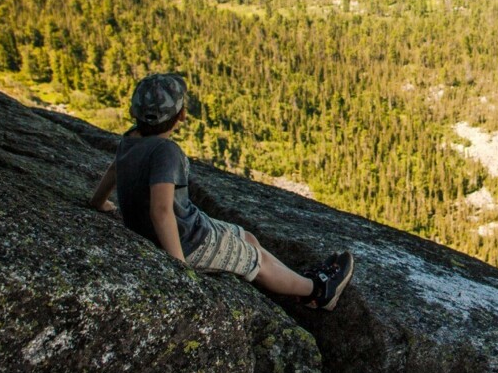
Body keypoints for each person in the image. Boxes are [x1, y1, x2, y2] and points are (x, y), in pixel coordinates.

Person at [89, 72, 353, 310]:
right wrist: (179, 269)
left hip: (186, 225)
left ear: (135, 113)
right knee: (255, 259)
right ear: (181, 114)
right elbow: (161, 211)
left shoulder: (130, 139)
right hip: (188, 241)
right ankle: (318, 291)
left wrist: (98, 202)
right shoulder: (165, 151)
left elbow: (115, 170)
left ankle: (295, 281)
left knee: (247, 238)